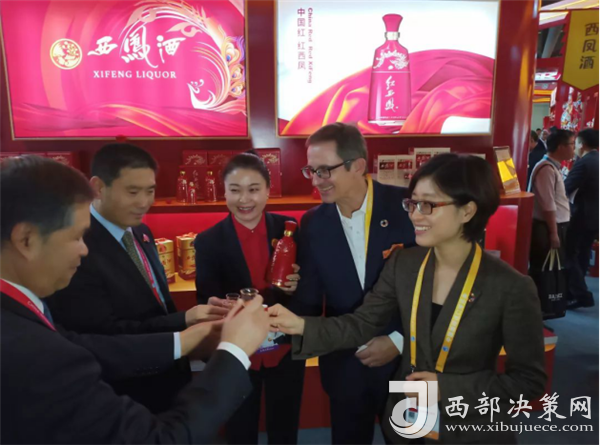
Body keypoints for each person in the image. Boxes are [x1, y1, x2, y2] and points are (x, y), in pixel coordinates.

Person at [269, 153, 546, 444]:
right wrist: (299, 325)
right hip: (407, 423)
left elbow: (528, 381)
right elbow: (361, 324)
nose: (414, 215)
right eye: (412, 203)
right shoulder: (405, 264)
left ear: (467, 211)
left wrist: (446, 387)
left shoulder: (510, 287)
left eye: (428, 205)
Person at [1, 155, 271, 444]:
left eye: (150, 190)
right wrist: (233, 350)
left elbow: (82, 344)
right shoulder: (31, 349)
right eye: (76, 237)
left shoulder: (22, 314)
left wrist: (185, 334)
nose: (84, 250)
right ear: (26, 240)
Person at [48, 143, 229, 412]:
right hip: (126, 393)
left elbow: (157, 304)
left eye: (150, 191)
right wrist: (184, 322)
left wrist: (190, 318)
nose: (144, 202)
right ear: (98, 187)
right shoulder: (78, 248)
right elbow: (103, 336)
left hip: (169, 378)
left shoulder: (141, 232)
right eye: (132, 192)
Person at [292, 123, 416, 444]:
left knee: (415, 439)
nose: (316, 180)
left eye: (324, 170)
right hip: (346, 363)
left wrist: (399, 341)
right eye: (311, 171)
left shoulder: (409, 208)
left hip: (410, 361)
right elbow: (309, 298)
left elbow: (436, 287)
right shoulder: (313, 223)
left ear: (358, 166)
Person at [194, 151, 305, 444]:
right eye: (235, 190)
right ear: (224, 192)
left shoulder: (289, 228)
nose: (244, 199)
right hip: (238, 352)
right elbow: (206, 300)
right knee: (240, 430)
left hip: (285, 348)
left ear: (268, 190)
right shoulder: (208, 241)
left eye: (254, 189)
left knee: (285, 427)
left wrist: (295, 286)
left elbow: (307, 286)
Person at [528, 130, 574, 285]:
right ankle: (541, 297)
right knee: (544, 268)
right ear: (561, 146)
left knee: (551, 267)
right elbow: (548, 204)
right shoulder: (546, 169)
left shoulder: (552, 167)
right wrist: (554, 233)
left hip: (554, 225)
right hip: (547, 227)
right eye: (572, 144)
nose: (574, 149)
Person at [564, 128, 598, 308]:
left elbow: (566, 187)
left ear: (582, 144)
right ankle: (576, 290)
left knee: (569, 253)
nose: (574, 147)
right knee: (583, 254)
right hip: (594, 216)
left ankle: (581, 294)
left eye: (575, 143)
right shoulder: (597, 160)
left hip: (581, 216)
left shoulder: (584, 163)